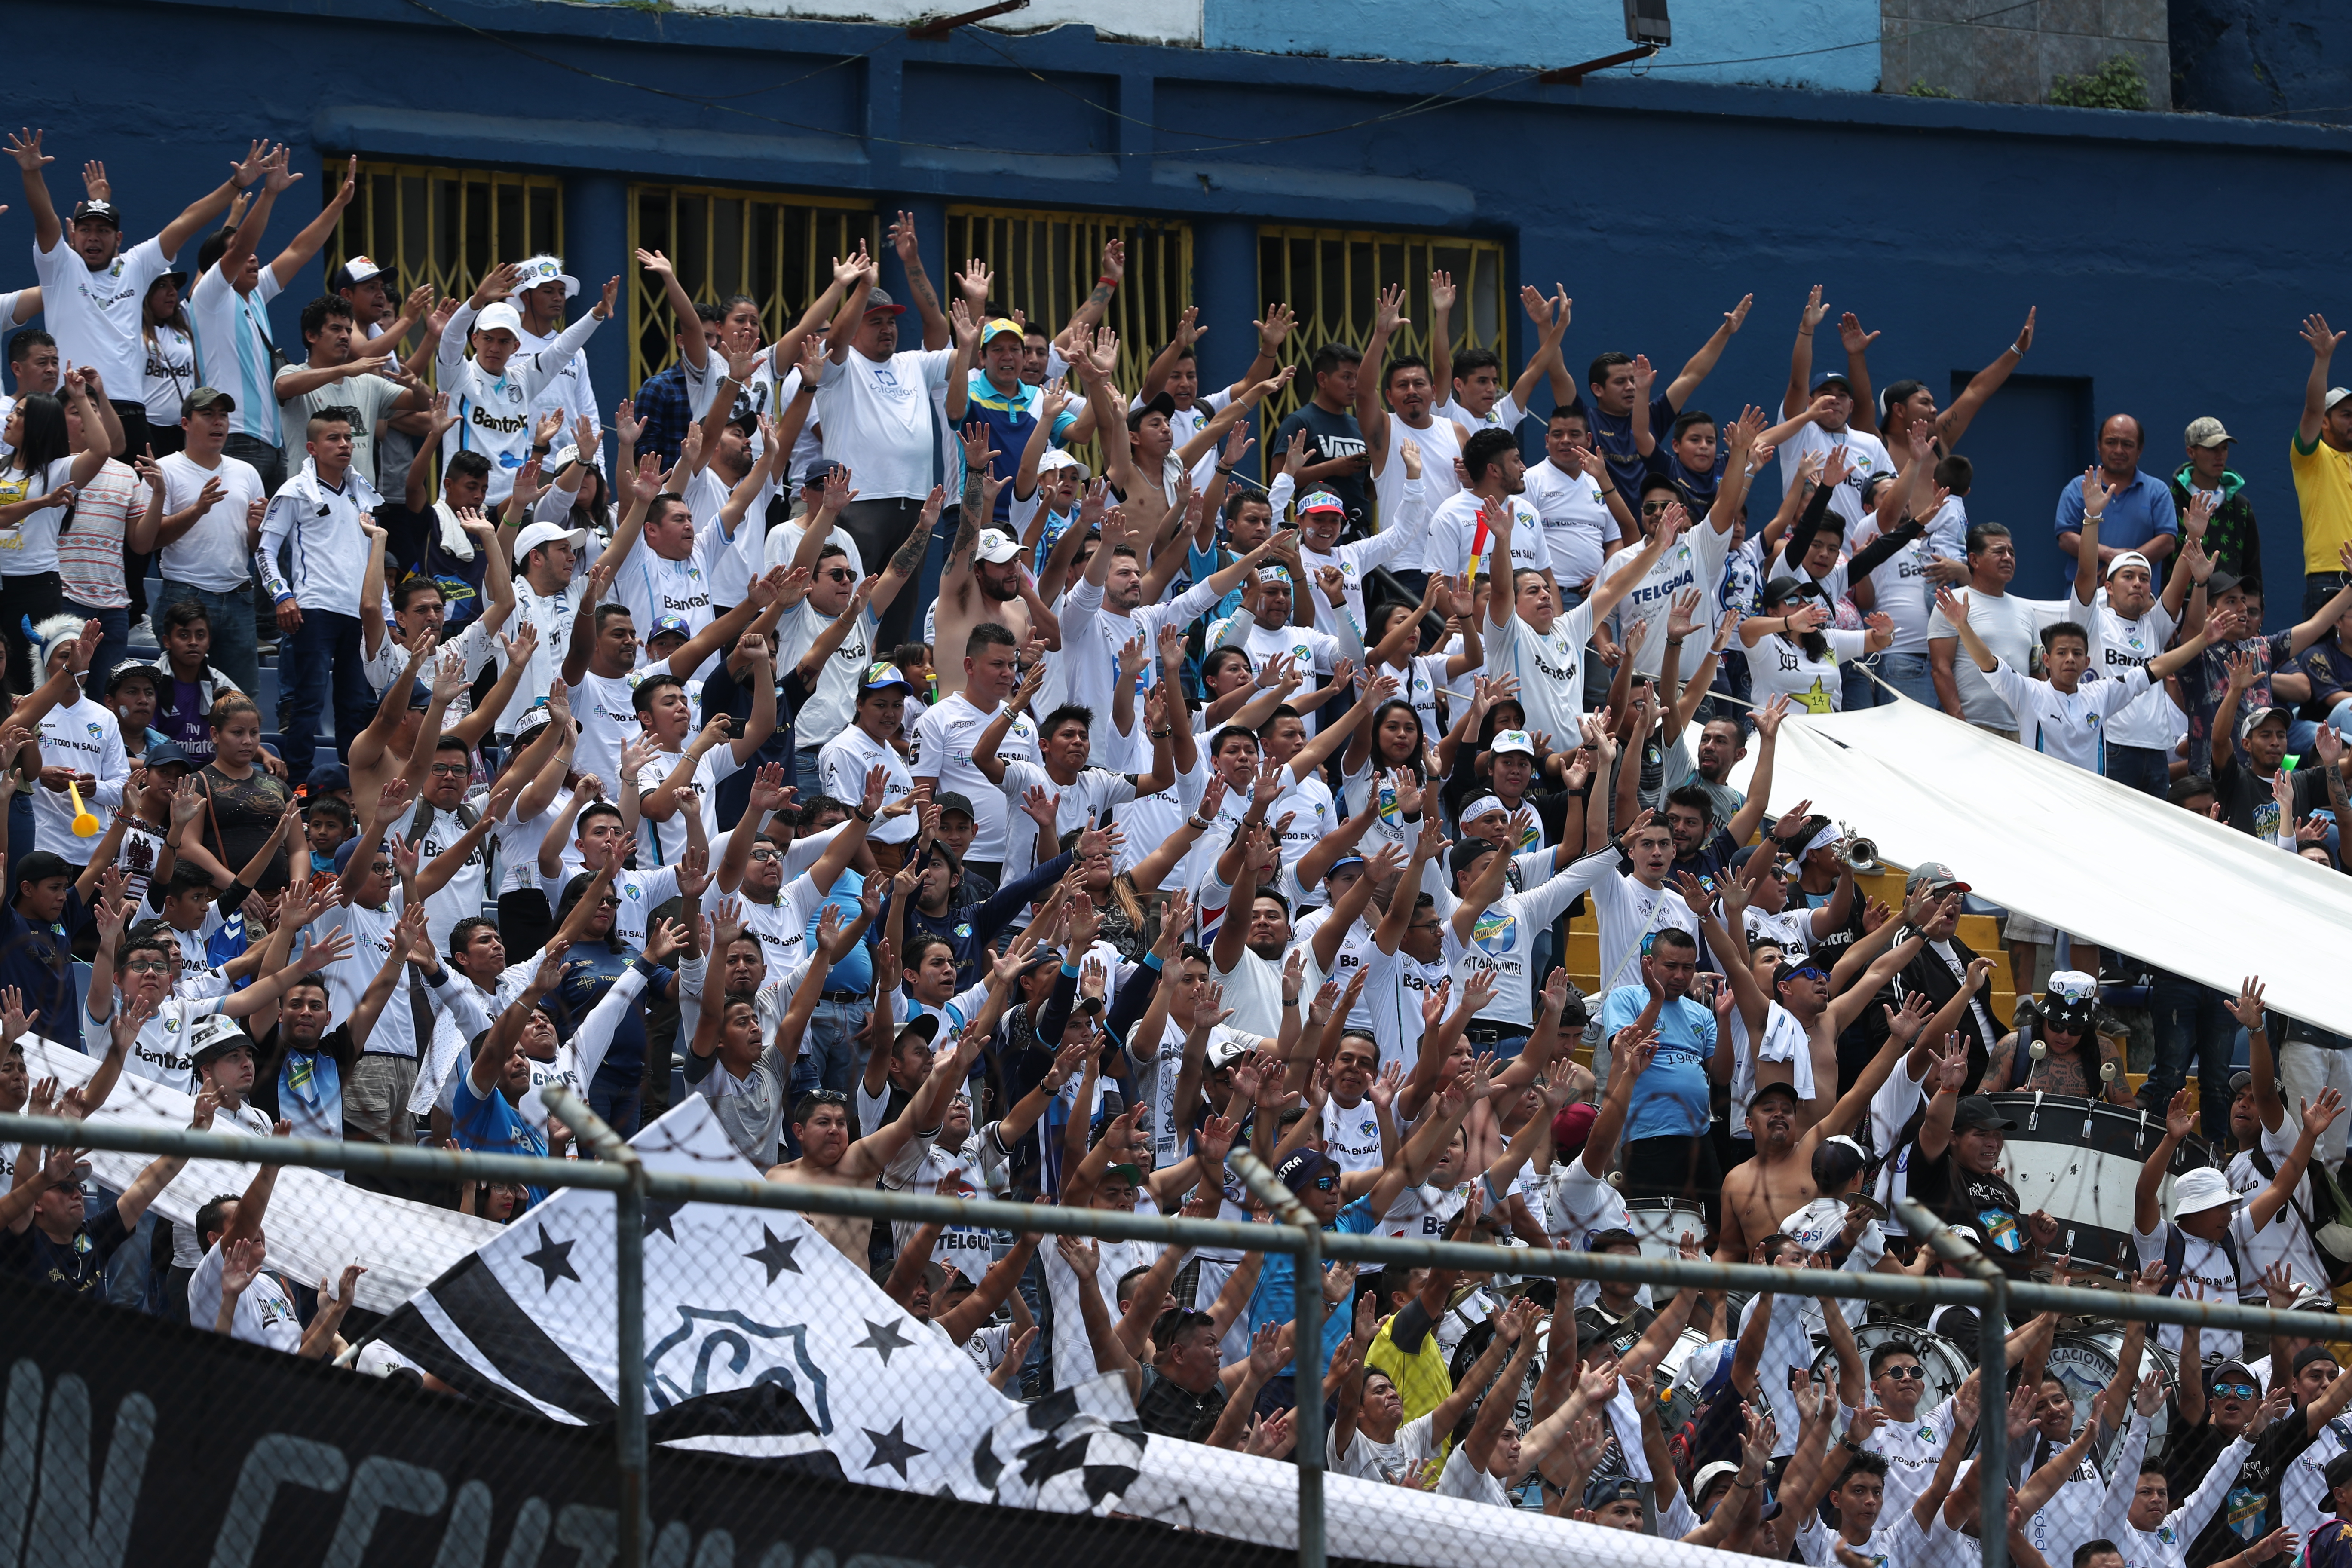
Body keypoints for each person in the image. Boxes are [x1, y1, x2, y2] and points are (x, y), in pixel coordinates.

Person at [10, 127, 264, 457]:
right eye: (85, 230)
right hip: (73, 406)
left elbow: (186, 222)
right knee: (71, 490)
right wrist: (31, 173)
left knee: (140, 491)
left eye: (103, 231)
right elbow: (46, 221)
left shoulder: (135, 266)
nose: (93, 237)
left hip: (130, 410)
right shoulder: (60, 268)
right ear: (73, 236)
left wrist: (236, 184)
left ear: (118, 239)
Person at [185, 148, 352, 491]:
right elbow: (243, 244)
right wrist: (269, 193)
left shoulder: (256, 294)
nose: (253, 258)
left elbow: (300, 250)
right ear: (219, 267)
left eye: (254, 255)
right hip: (235, 437)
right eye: (242, 254)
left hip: (274, 444)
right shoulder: (210, 297)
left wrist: (339, 204)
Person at [2135, 1085, 2340, 1364]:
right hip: (2175, 1368)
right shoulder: (2161, 1240)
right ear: (2193, 1211)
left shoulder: (2231, 1233)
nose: (2228, 1213)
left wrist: (2309, 1135)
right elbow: (2145, 1195)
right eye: (2220, 1207)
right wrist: (2171, 1140)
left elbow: (2280, 1189)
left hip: (2231, 1372)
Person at [132, 387, 266, 697]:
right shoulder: (164, 469)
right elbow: (147, 542)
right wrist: (197, 510)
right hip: (185, 594)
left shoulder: (247, 472)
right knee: (177, 698)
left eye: (223, 415)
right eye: (208, 414)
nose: (218, 422)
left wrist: (258, 528)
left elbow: (254, 546)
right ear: (185, 424)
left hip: (238, 595)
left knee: (241, 699)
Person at [2294, 314, 2352, 619]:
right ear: (2325, 423)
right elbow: (2314, 408)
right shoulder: (2312, 458)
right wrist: (2323, 360)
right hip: (2330, 577)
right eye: (2347, 415)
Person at [2176, 415, 2263, 586]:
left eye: (2224, 448)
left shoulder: (2241, 506)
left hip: (2232, 601)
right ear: (2191, 452)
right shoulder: (2170, 500)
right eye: (2212, 449)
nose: (2220, 456)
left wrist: (2254, 597)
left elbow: (2252, 566)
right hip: (2183, 601)